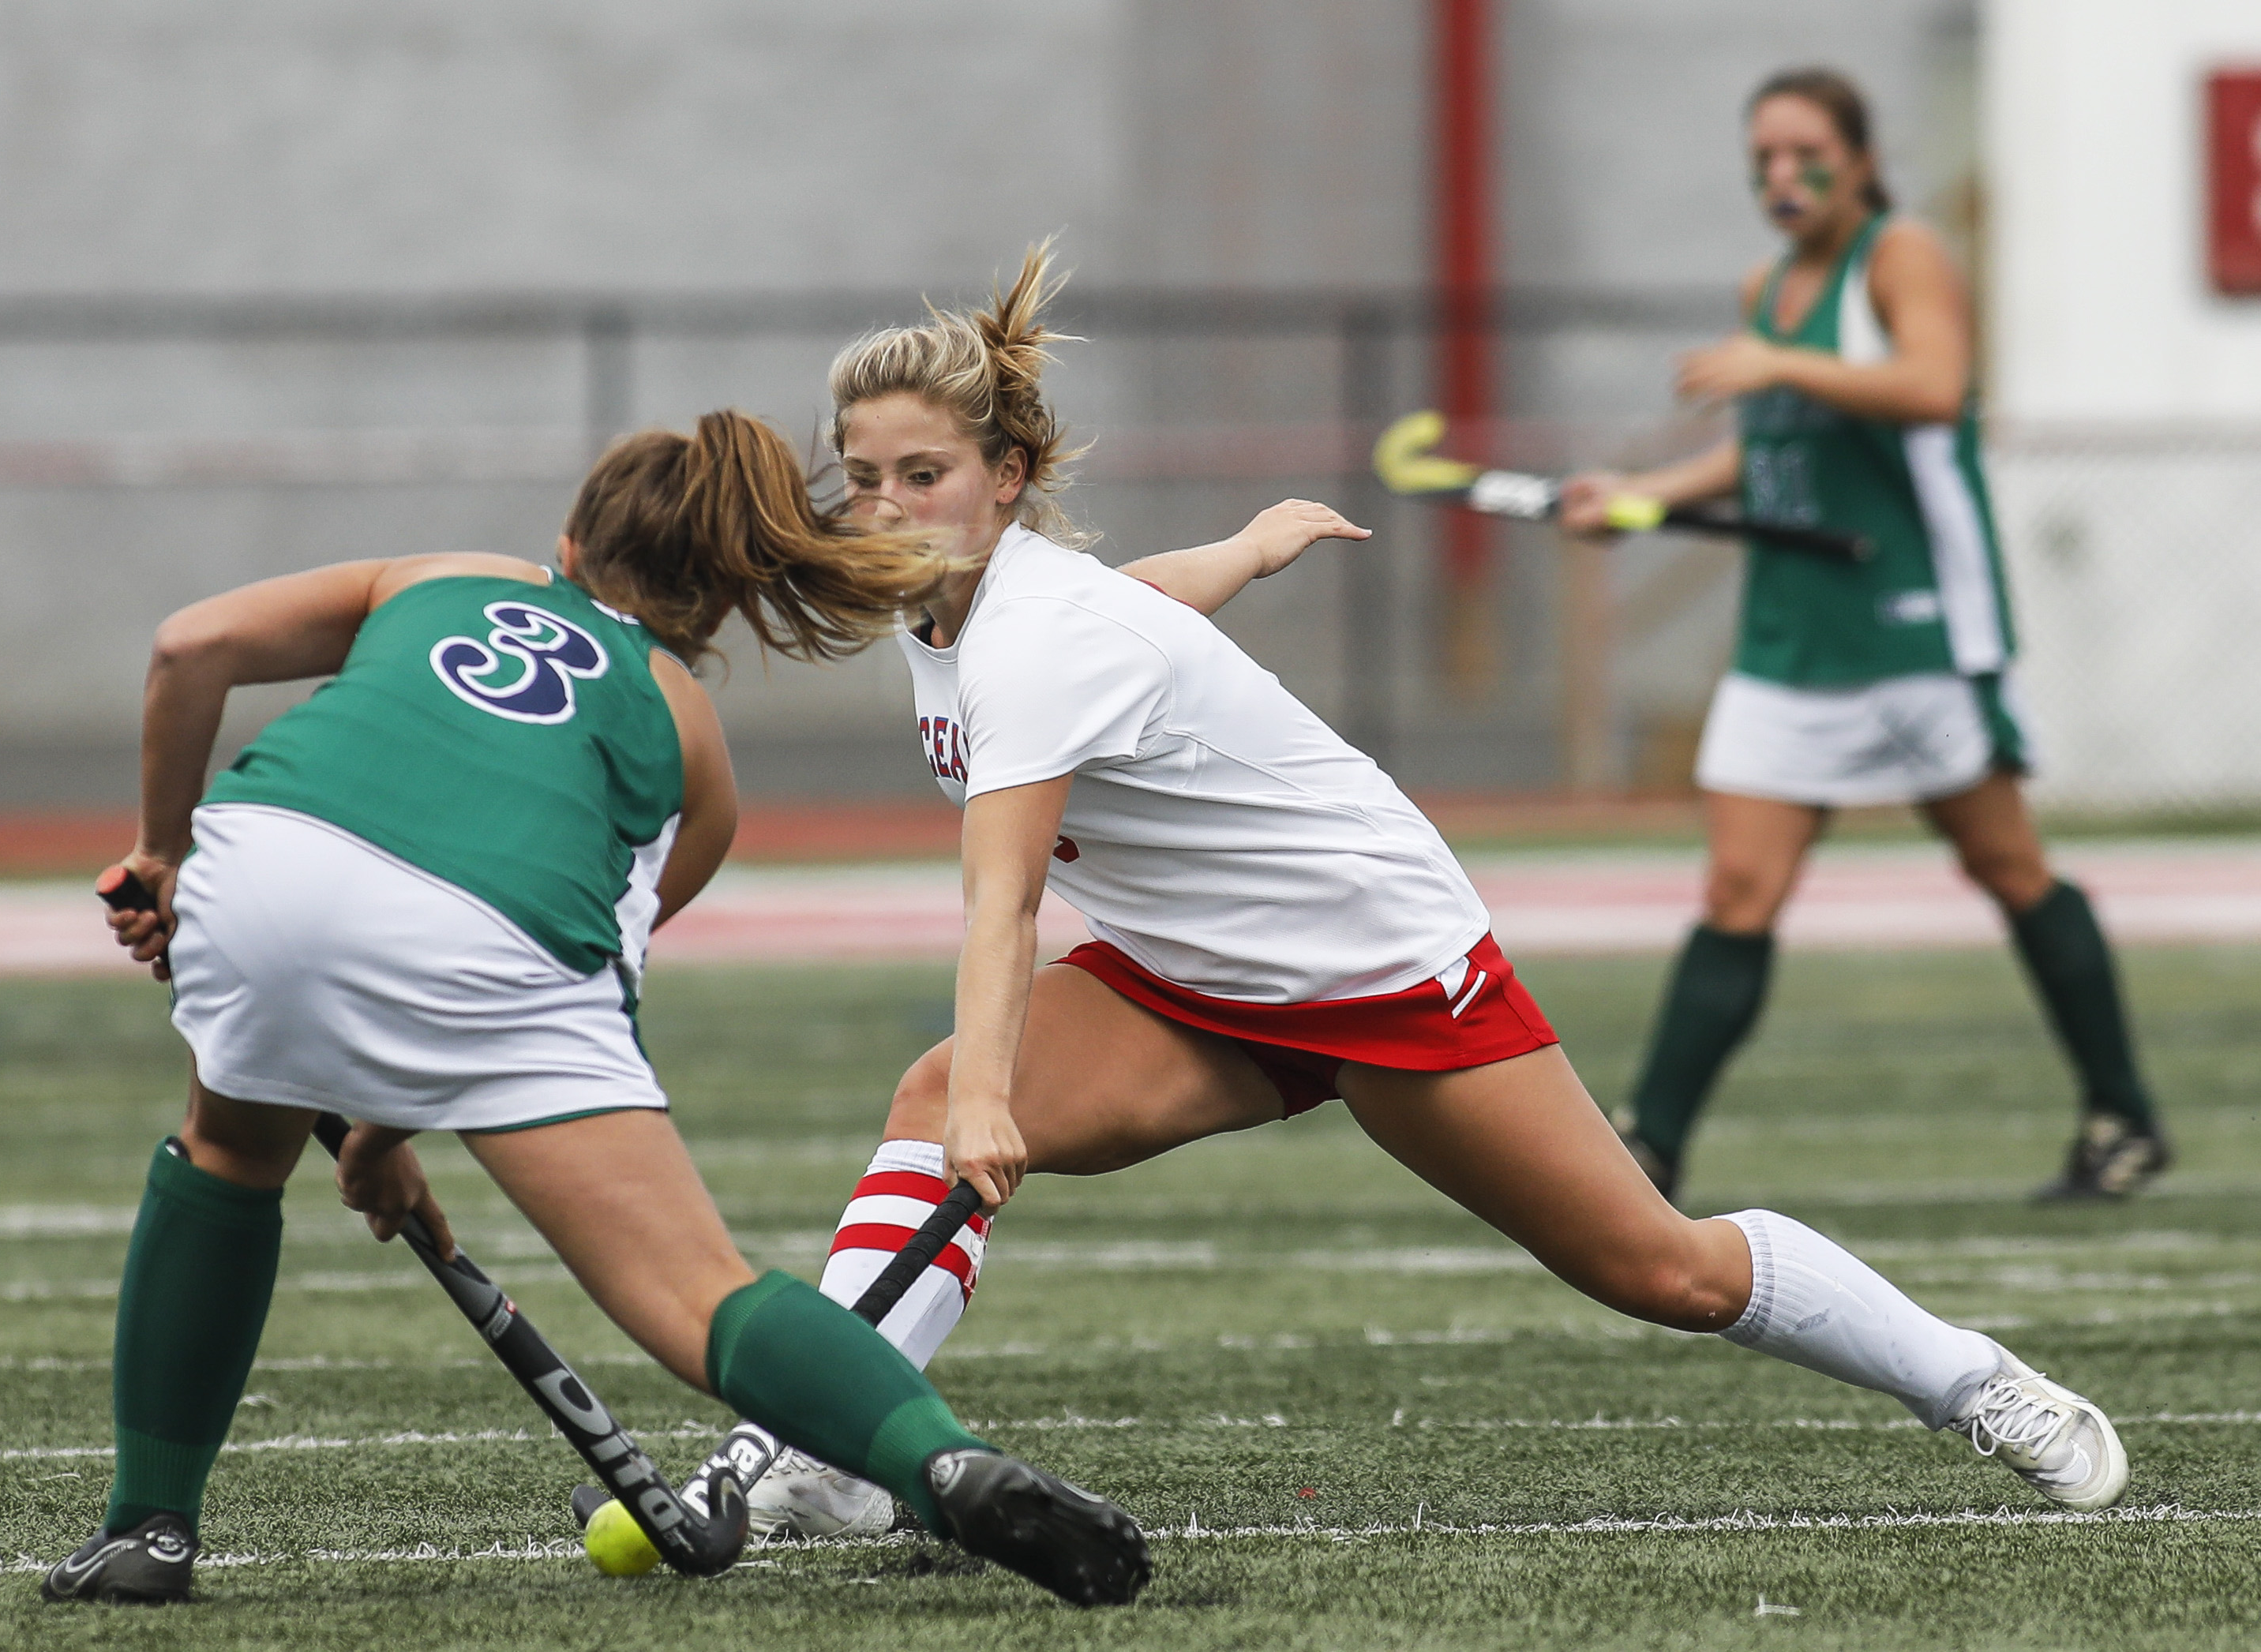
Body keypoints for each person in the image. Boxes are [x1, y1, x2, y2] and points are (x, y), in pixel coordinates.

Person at [739, 245, 2131, 1541]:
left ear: (1009, 474)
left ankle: (1974, 1380)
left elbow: (1006, 901)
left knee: (1666, 1271)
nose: (886, 507)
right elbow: (1146, 596)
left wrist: (1003, 1096)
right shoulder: (974, 607)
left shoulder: (1032, 635)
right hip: (1200, 982)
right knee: (933, 1097)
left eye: (922, 476)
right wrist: (1248, 550)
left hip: (1377, 962)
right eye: (862, 478)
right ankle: (841, 1450)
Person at [47, 411, 1149, 1609]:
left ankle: (144, 1529)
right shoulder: (688, 737)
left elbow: (186, 648)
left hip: (261, 856)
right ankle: (942, 1462)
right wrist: (393, 1124)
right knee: (696, 1291)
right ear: (716, 606)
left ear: (568, 539)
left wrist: (161, 856)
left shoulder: (441, 574)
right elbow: (560, 970)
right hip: (492, 943)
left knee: (228, 1150)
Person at [1556, 67, 2167, 1204]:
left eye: (1806, 153)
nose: (1783, 177)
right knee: (1739, 889)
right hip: (1790, 638)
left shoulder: (1902, 257)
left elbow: (1934, 386)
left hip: (1914, 629)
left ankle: (2123, 1116)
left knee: (2004, 863)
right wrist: (1639, 498)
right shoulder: (1769, 285)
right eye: (1765, 159)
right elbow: (1771, 447)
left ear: (1859, 155)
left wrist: (1779, 360)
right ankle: (1649, 1149)